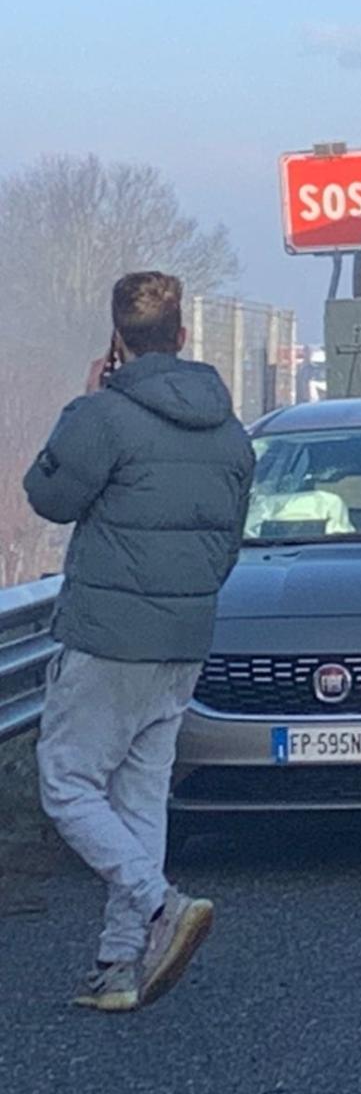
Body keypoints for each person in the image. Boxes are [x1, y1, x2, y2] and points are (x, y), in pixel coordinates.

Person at [26, 271, 254, 1013]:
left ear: (118, 339)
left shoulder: (107, 415)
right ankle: (118, 966)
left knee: (65, 779)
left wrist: (88, 401)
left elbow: (47, 495)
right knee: (139, 795)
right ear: (183, 336)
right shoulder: (229, 431)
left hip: (107, 636)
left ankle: (159, 906)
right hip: (184, 636)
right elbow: (227, 543)